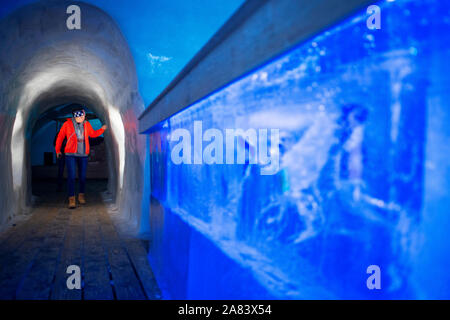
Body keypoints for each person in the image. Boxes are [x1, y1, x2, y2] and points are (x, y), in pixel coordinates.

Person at [55, 107, 107, 208]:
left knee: (82, 177)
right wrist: (57, 150)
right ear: (76, 116)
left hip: (83, 154)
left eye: (83, 116)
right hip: (70, 154)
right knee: (71, 177)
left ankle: (81, 196)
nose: (82, 118)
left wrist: (102, 129)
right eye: (80, 116)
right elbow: (60, 137)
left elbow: (93, 134)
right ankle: (71, 199)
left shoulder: (86, 124)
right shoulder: (67, 124)